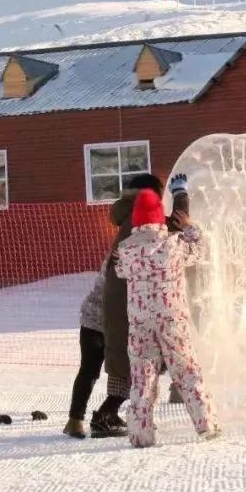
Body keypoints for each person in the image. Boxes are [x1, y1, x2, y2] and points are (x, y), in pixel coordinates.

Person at [115, 182, 220, 447]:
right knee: (187, 371)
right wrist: (188, 226)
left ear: (137, 220)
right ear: (159, 217)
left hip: (139, 324)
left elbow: (120, 271)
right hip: (172, 319)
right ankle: (206, 424)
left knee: (142, 378)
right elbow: (200, 251)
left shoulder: (126, 250)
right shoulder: (173, 245)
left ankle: (140, 435)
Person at [91, 173, 164, 437]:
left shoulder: (127, 215)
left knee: (130, 361)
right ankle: (107, 415)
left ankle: (114, 414)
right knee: (138, 361)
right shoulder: (140, 217)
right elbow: (161, 243)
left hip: (123, 297)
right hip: (132, 300)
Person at [63, 259, 109, 439]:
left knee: (115, 371)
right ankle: (75, 420)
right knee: (90, 370)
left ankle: (107, 413)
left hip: (108, 321)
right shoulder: (122, 255)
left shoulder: (121, 251)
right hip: (97, 320)